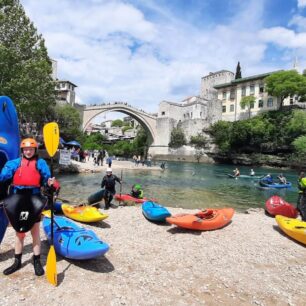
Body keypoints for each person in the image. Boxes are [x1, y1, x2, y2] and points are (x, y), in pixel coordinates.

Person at [0, 138, 60, 276]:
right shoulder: (14, 163)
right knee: (19, 234)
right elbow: (3, 176)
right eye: (26, 149)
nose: (28, 151)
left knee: (35, 232)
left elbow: (48, 180)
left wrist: (52, 183)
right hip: (18, 199)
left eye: (31, 149)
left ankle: (36, 261)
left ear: (35, 150)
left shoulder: (41, 163)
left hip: (34, 200)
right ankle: (17, 261)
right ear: (22, 150)